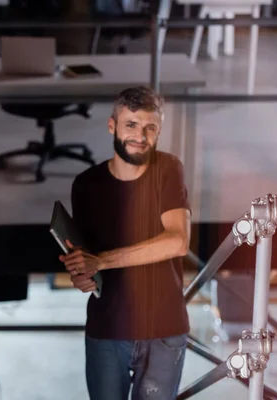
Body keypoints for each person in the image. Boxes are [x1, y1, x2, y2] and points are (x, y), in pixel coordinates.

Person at [60, 86, 191, 400]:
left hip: (163, 328)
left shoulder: (168, 170)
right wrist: (82, 273)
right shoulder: (86, 185)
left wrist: (101, 261)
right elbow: (88, 261)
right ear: (112, 126)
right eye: (131, 124)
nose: (140, 136)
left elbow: (177, 242)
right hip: (108, 326)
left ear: (159, 131)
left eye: (150, 128)